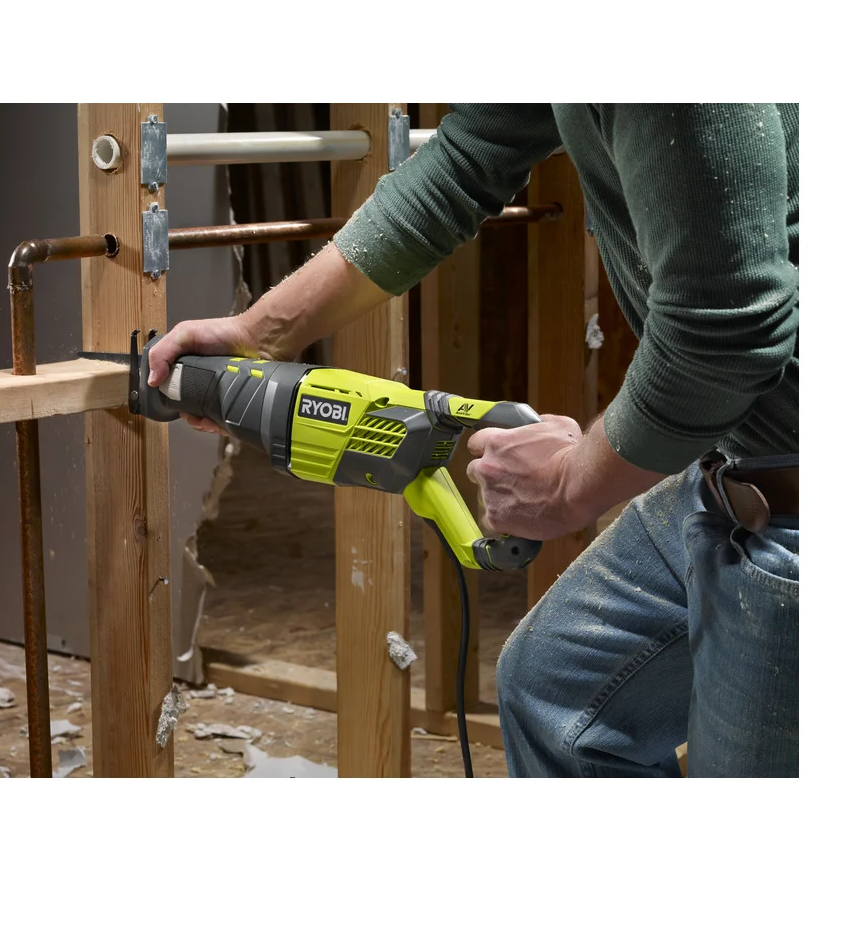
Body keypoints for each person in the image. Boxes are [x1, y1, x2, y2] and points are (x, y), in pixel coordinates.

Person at [147, 104, 799, 778]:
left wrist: (571, 483)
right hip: (733, 464)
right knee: (557, 692)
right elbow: (469, 155)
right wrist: (258, 333)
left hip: (797, 493)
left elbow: (725, 332)